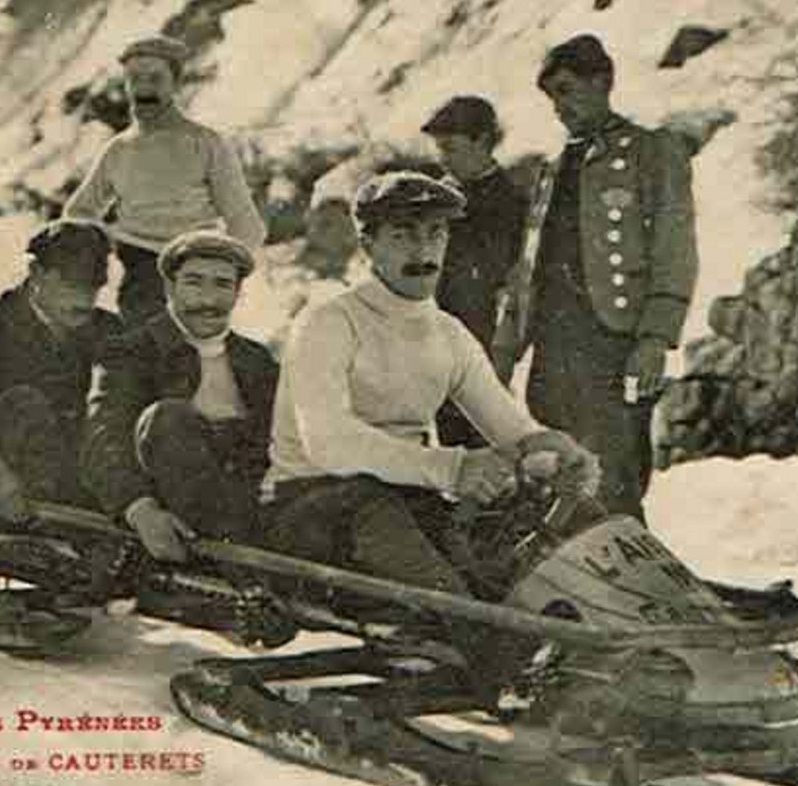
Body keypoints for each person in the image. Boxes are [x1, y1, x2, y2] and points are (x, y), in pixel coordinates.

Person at [262, 172, 598, 690]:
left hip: (404, 503)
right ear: (368, 243)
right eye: (403, 235)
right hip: (311, 510)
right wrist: (452, 467)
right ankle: (500, 662)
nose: (423, 250)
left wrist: (556, 460)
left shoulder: (446, 332)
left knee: (542, 513)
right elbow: (327, 442)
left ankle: (630, 634)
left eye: (435, 234)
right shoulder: (330, 322)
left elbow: (508, 427)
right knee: (367, 500)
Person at [501, 35, 699, 522]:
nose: (559, 108)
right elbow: (529, 269)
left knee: (613, 479)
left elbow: (675, 252)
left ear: (603, 81)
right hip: (552, 346)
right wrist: (505, 348)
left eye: (567, 91)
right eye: (552, 98)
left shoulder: (651, 153)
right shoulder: (551, 170)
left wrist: (654, 338)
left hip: (611, 342)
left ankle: (630, 584)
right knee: (556, 478)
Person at [82, 231, 277, 561]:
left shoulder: (255, 358)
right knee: (169, 418)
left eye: (222, 285)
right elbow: (104, 439)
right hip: (172, 500)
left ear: (237, 293)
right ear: (170, 288)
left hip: (248, 494)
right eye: (194, 283)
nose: (208, 299)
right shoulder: (131, 350)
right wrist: (140, 509)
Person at [63, 35, 267, 324]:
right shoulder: (119, 150)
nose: (144, 89)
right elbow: (78, 213)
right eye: (134, 79)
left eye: (156, 79)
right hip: (138, 281)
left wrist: (216, 276)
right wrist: (105, 245)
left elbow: (248, 226)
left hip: (193, 280)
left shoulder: (205, 143)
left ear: (175, 83)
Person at [0, 220, 121, 523]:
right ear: (36, 274)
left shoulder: (108, 329)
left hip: (82, 477)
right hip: (9, 480)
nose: (85, 300)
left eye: (93, 287)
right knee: (24, 402)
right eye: (71, 284)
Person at [421, 94, 529, 446]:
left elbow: (515, 282)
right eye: (439, 149)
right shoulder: (436, 201)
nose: (443, 160)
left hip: (486, 342)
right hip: (437, 339)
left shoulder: (511, 204)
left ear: (483, 141)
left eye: (450, 148)